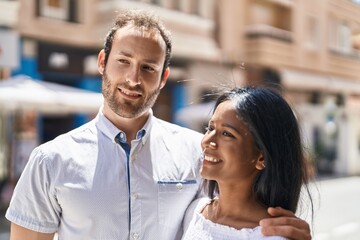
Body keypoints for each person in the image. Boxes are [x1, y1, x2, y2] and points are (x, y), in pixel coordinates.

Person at [6, 10, 311, 240]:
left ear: (164, 78)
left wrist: (282, 230)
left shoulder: (198, 153)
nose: (133, 79)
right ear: (102, 62)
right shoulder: (50, 161)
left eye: (148, 68)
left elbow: (236, 214)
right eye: (123, 61)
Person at [182, 87, 314, 239]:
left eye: (227, 134)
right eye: (210, 128)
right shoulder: (194, 211)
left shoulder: (271, 236)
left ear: (261, 158)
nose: (207, 141)